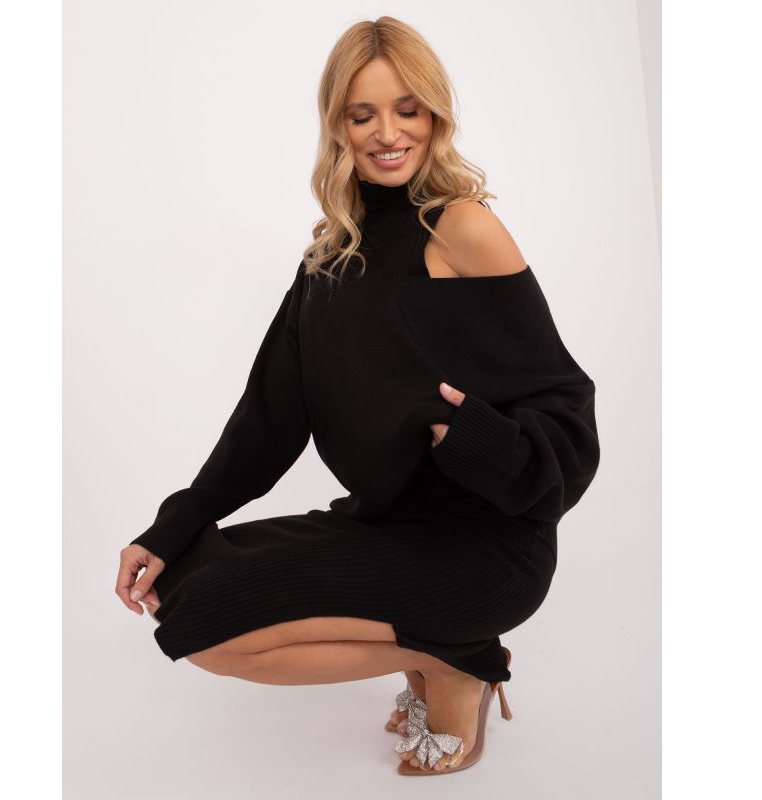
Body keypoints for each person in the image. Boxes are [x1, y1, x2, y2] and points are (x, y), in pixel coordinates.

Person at [115, 16, 600, 775]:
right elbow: (268, 421)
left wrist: (469, 434)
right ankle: (443, 653)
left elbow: (568, 409)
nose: (388, 133)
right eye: (362, 114)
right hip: (387, 526)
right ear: (337, 125)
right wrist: (170, 527)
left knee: (210, 616)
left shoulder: (463, 229)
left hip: (488, 543)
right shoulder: (329, 258)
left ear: (435, 115)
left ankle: (456, 661)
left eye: (408, 109)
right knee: (191, 601)